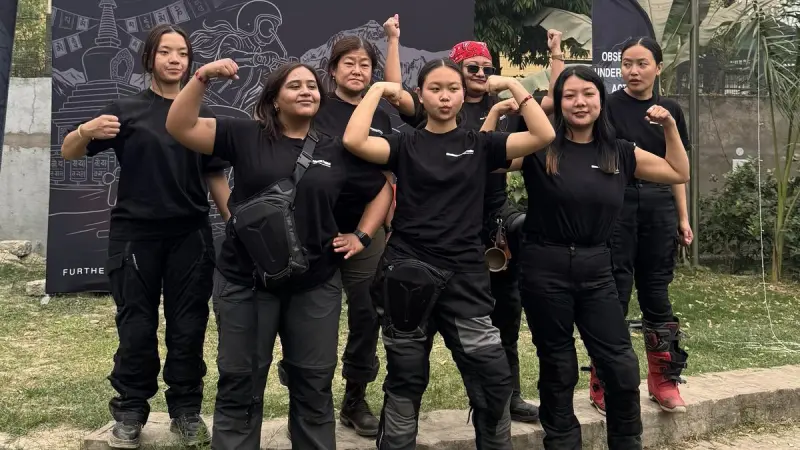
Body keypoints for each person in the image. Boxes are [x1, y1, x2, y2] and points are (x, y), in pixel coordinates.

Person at [164, 58, 393, 450]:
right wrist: (201, 77)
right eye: (294, 86)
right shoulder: (244, 134)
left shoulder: (336, 148)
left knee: (313, 382)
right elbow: (179, 126)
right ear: (273, 99)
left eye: (311, 86)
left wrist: (361, 236)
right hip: (246, 283)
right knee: (241, 381)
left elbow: (382, 190)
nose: (306, 91)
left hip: (314, 285)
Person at [342, 59, 556, 449]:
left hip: (466, 278)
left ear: (462, 95)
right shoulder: (405, 142)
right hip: (409, 275)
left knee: (493, 377)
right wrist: (377, 90)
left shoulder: (481, 144)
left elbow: (543, 134)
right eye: (435, 88)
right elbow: (354, 141)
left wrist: (510, 84)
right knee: (405, 378)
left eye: (452, 89)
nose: (445, 96)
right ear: (421, 94)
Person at [382, 22, 565, 423]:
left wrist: (547, 60)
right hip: (436, 234)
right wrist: (393, 42)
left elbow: (549, 110)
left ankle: (509, 394)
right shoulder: (434, 114)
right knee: (410, 353)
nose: (481, 75)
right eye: (472, 68)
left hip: (490, 220)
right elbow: (398, 94)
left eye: (486, 68)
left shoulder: (500, 109)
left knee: (503, 318)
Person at [60, 24, 231, 449]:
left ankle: (186, 411)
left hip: (189, 234)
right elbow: (69, 151)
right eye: (166, 52)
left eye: (183, 53)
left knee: (188, 327)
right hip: (135, 235)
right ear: (149, 59)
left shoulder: (200, 115)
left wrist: (234, 221)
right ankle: (131, 410)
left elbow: (214, 175)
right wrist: (85, 131)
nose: (175, 59)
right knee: (135, 326)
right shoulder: (126, 108)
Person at [508, 65, 689, 449]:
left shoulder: (620, 152)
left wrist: (670, 128)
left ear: (600, 100)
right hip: (544, 268)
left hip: (597, 269)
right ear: (558, 103)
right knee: (558, 367)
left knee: (622, 368)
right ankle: (562, 443)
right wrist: (503, 108)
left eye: (588, 93)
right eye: (569, 95)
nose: (579, 102)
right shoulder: (540, 147)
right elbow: (487, 157)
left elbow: (678, 171)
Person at [585, 37, 692, 416]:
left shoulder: (672, 110)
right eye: (627, 63)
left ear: (658, 68)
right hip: (618, 204)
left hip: (660, 205)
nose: (633, 70)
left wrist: (682, 217)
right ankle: (605, 382)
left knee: (657, 293)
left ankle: (663, 381)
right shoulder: (608, 107)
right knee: (613, 292)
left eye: (642, 63)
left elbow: (678, 171)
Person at [307, 28, 396, 437]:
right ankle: (310, 402)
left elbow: (386, 174)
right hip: (314, 230)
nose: (358, 70)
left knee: (367, 315)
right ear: (333, 69)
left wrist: (367, 231)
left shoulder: (378, 115)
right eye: (350, 63)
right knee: (309, 320)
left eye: (365, 64)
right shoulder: (314, 108)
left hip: (365, 229)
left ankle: (355, 399)